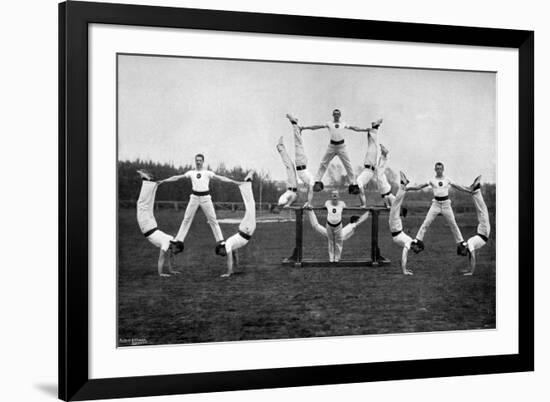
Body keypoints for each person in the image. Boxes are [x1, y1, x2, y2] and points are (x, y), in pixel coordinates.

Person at [159, 154, 241, 247]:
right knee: (186, 219)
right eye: (197, 160)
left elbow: (221, 178)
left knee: (213, 220)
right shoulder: (191, 173)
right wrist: (163, 181)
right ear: (195, 161)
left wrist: (235, 182)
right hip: (194, 197)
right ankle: (178, 239)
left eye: (200, 160)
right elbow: (176, 177)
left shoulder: (207, 173)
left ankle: (220, 240)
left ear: (203, 161)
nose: (198, 162)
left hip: (206, 198)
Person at [299, 109, 376, 195]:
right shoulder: (329, 124)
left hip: (341, 147)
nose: (336, 116)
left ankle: (354, 184)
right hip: (331, 146)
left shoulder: (343, 124)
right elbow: (316, 127)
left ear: (340, 115)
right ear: (333, 115)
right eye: (335, 114)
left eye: (338, 114)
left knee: (348, 165)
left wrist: (365, 130)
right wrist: (305, 128)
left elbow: (354, 128)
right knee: (323, 163)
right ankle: (317, 181)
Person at [406, 162, 472, 254]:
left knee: (453, 224)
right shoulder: (432, 180)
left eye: (440, 168)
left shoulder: (447, 179)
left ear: (443, 169)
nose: (439, 170)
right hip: (435, 204)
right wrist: (408, 188)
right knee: (426, 222)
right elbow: (420, 186)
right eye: (437, 168)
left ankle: (460, 243)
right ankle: (418, 240)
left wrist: (468, 190)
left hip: (446, 205)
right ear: (435, 169)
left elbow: (458, 186)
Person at [136, 170, 184, 277]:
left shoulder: (172, 240)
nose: (175, 253)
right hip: (147, 227)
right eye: (177, 251)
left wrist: (171, 271)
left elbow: (170, 257)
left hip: (153, 225)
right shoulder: (167, 243)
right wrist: (161, 273)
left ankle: (151, 183)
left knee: (148, 205)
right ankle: (147, 181)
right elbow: (161, 258)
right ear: (176, 247)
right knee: (141, 205)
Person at [215, 172, 256, 277]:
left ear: (222, 248)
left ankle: (246, 184)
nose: (223, 255)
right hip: (246, 230)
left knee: (251, 206)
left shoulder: (228, 244)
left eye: (221, 253)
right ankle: (247, 183)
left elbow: (229, 259)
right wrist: (236, 265)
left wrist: (229, 273)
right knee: (250, 206)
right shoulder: (230, 245)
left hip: (246, 229)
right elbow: (235, 254)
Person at [305, 203, 370, 262]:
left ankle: (310, 210)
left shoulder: (350, 225)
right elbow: (361, 220)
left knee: (316, 226)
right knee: (317, 226)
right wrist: (369, 212)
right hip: (337, 234)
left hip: (335, 233)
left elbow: (360, 219)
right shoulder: (351, 225)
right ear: (355, 221)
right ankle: (336, 258)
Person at [388, 172, 417, 275]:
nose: (414, 250)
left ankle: (403, 185)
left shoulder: (409, 242)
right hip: (396, 226)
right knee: (396, 202)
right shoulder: (410, 242)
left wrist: (404, 270)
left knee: (396, 202)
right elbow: (404, 255)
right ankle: (403, 185)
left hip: (396, 227)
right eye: (416, 249)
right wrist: (404, 270)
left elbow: (404, 254)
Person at [463, 175, 491, 276]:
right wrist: (470, 271)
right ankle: (476, 190)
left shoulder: (470, 244)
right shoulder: (469, 244)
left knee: (481, 210)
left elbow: (472, 257)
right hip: (483, 232)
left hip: (483, 231)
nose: (465, 252)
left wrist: (469, 271)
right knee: (482, 210)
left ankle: (475, 191)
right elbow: (472, 257)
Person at [286, 113, 314, 206]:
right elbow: (310, 192)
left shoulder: (309, 181)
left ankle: (297, 128)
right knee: (298, 144)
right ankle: (294, 123)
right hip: (301, 163)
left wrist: (307, 202)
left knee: (299, 144)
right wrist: (309, 203)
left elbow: (308, 191)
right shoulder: (312, 182)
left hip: (302, 163)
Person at [356, 119, 384, 207]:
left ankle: (376, 127)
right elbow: (362, 193)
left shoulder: (359, 181)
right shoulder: (359, 182)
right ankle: (376, 127)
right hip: (369, 165)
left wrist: (363, 204)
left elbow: (361, 193)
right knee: (372, 143)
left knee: (371, 143)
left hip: (369, 166)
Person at [275, 136, 299, 209]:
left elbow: (293, 197)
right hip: (292, 186)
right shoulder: (283, 201)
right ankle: (281, 147)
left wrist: (288, 204)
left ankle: (280, 147)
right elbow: (294, 196)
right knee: (290, 165)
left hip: (291, 185)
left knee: (289, 165)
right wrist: (288, 204)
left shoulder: (281, 201)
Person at [376, 143, 396, 208]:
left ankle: (384, 154)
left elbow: (386, 201)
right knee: (380, 169)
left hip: (384, 189)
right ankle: (384, 154)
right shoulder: (391, 198)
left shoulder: (389, 198)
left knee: (379, 169)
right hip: (385, 189)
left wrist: (387, 205)